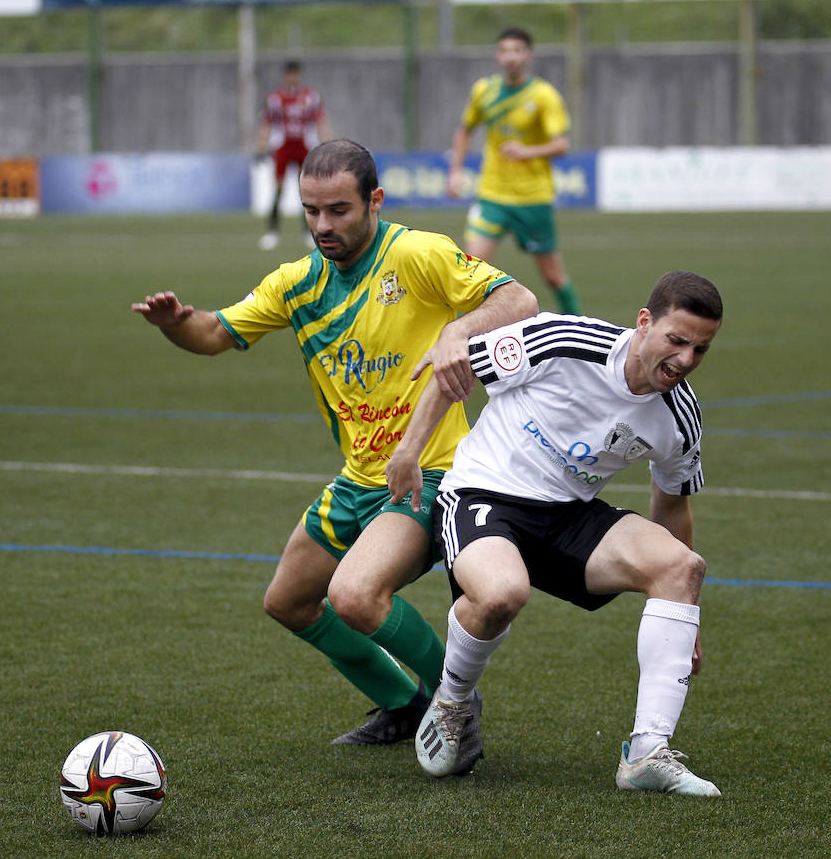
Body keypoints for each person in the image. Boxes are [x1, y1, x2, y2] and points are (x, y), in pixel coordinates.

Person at [133, 140, 538, 770]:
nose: (323, 226)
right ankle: (404, 704)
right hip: (358, 480)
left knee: (354, 596)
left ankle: (451, 699)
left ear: (374, 201)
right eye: (311, 211)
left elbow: (519, 302)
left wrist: (458, 329)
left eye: (340, 210)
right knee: (289, 601)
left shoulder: (417, 254)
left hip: (433, 474)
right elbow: (213, 333)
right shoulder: (296, 284)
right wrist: (173, 323)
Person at [385, 270, 724, 795]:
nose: (684, 360)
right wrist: (409, 450)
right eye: (676, 341)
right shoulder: (565, 341)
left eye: (700, 350)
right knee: (501, 595)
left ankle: (646, 754)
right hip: (483, 495)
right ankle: (452, 701)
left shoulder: (680, 416)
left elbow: (673, 504)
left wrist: (683, 611)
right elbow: (455, 371)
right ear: (644, 323)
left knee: (683, 568)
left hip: (568, 516)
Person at [446, 27, 581, 316]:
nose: (511, 57)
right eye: (505, 50)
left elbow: (562, 144)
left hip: (532, 197)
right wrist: (455, 171)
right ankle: (465, 342)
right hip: (492, 194)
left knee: (553, 276)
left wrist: (527, 151)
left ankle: (579, 330)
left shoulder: (543, 95)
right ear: (498, 56)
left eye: (518, 50)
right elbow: (464, 130)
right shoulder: (484, 90)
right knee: (470, 272)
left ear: (528, 56)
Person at [257, 60, 332, 251]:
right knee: (279, 188)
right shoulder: (275, 98)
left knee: (306, 191)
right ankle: (272, 232)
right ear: (285, 76)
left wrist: (328, 143)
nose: (292, 77)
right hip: (283, 147)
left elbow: (320, 121)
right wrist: (261, 145)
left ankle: (308, 232)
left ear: (299, 76)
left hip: (304, 147)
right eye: (289, 74)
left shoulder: (311, 97)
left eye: (295, 74)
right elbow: (267, 123)